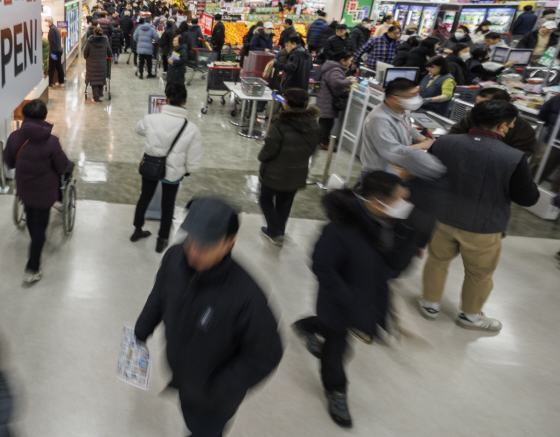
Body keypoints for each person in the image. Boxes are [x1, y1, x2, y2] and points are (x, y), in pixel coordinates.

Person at [135, 197, 283, 437]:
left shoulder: (246, 296)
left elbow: (267, 354)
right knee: (190, 417)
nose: (194, 251)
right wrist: (142, 330)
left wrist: (218, 390)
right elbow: (160, 295)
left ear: (229, 243)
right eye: (191, 240)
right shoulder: (174, 259)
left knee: (204, 431)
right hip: (184, 378)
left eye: (205, 246)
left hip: (214, 400)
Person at [293, 172, 421, 428]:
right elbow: (322, 265)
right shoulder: (339, 229)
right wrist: (348, 297)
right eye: (398, 200)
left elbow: (391, 263)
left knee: (337, 333)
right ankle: (336, 391)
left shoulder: (390, 223)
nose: (403, 205)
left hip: (366, 297)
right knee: (337, 350)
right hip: (340, 302)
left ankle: (308, 326)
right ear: (376, 203)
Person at [418, 100, 540, 332]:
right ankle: (470, 316)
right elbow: (528, 198)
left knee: (437, 261)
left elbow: (429, 175)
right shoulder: (513, 157)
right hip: (485, 226)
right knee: (479, 274)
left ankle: (430, 303)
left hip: (444, 217)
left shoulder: (444, 142)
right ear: (502, 126)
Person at [2, 100, 72, 283]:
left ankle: (36, 242)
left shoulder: (15, 137)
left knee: (32, 219)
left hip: (24, 189)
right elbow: (63, 166)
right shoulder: (52, 141)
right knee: (40, 226)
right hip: (46, 192)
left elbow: (9, 162)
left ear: (24, 116)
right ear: (44, 116)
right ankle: (32, 268)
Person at [131, 83, 202, 253]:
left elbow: (138, 129)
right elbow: (193, 158)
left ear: (165, 98)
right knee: (168, 204)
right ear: (184, 101)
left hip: (150, 166)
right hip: (174, 171)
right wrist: (188, 170)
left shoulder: (150, 119)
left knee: (144, 198)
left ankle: (137, 230)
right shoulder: (191, 129)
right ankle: (162, 239)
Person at [257, 88, 321, 245]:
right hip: (298, 172)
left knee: (265, 198)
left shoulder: (279, 124)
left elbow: (270, 149)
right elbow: (313, 150)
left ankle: (273, 231)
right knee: (285, 203)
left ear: (286, 104)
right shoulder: (314, 125)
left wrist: (261, 157)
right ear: (306, 104)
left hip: (274, 171)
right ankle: (280, 231)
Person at [358, 78, 446, 180]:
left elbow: (408, 128)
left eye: (416, 93)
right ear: (395, 98)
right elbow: (392, 151)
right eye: (412, 95)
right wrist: (421, 146)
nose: (416, 98)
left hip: (396, 170)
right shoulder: (379, 119)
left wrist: (420, 138)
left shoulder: (402, 109)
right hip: (378, 176)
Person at [448, 87, 537, 158]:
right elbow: (456, 131)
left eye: (483, 105)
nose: (478, 109)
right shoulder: (474, 115)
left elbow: (522, 153)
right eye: (477, 105)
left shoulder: (523, 128)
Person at [317, 51, 356, 150]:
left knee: (324, 122)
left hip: (325, 99)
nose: (350, 63)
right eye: (350, 61)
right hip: (328, 101)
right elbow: (336, 82)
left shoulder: (333, 67)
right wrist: (350, 81)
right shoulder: (335, 69)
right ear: (343, 60)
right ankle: (323, 143)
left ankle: (321, 140)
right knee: (327, 124)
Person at [83, 26, 111, 101]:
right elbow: (109, 52)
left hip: (92, 63)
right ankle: (100, 96)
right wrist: (110, 57)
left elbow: (85, 52)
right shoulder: (105, 41)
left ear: (94, 33)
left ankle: (95, 98)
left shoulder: (90, 41)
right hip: (102, 63)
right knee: (101, 79)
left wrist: (86, 57)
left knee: (94, 80)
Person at [46, 18, 64, 88]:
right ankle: (61, 81)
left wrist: (52, 52)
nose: (46, 23)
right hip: (58, 50)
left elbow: (52, 42)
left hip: (55, 51)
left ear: (49, 21)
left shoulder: (52, 30)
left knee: (51, 68)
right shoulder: (55, 28)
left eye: (46, 21)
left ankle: (50, 83)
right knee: (58, 66)